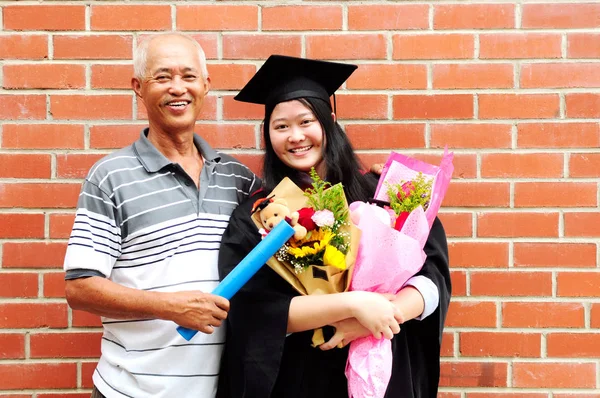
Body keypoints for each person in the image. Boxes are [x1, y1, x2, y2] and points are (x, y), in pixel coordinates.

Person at [217, 55, 451, 398]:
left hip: (381, 368)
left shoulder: (382, 193)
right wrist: (353, 306)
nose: (295, 136)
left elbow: (433, 277)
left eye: (305, 121)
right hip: (299, 377)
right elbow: (252, 309)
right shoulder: (258, 215)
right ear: (268, 134)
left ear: (330, 120)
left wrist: (385, 314)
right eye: (281, 126)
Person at [63, 32, 261, 398]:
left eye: (188, 76)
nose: (177, 88)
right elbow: (79, 288)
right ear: (138, 87)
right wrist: (171, 307)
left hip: (223, 390)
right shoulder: (110, 177)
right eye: (163, 76)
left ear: (205, 85)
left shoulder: (239, 179)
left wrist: (369, 190)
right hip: (130, 391)